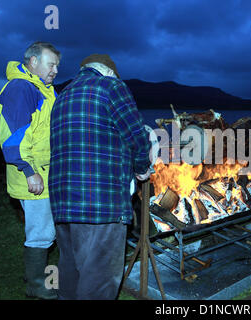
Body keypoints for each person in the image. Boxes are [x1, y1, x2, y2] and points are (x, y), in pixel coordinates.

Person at [49, 54, 152, 300]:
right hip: (100, 203)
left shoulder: (61, 96)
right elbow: (136, 134)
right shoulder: (111, 86)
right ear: (109, 71)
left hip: (62, 202)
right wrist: (141, 167)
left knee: (71, 270)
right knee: (100, 278)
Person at [0, 41, 61, 299]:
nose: (55, 70)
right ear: (32, 62)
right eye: (51, 64)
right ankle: (37, 286)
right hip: (33, 175)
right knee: (41, 232)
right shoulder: (22, 88)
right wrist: (28, 170)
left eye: (57, 65)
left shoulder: (42, 89)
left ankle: (36, 276)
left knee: (46, 228)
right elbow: (13, 136)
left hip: (44, 172)